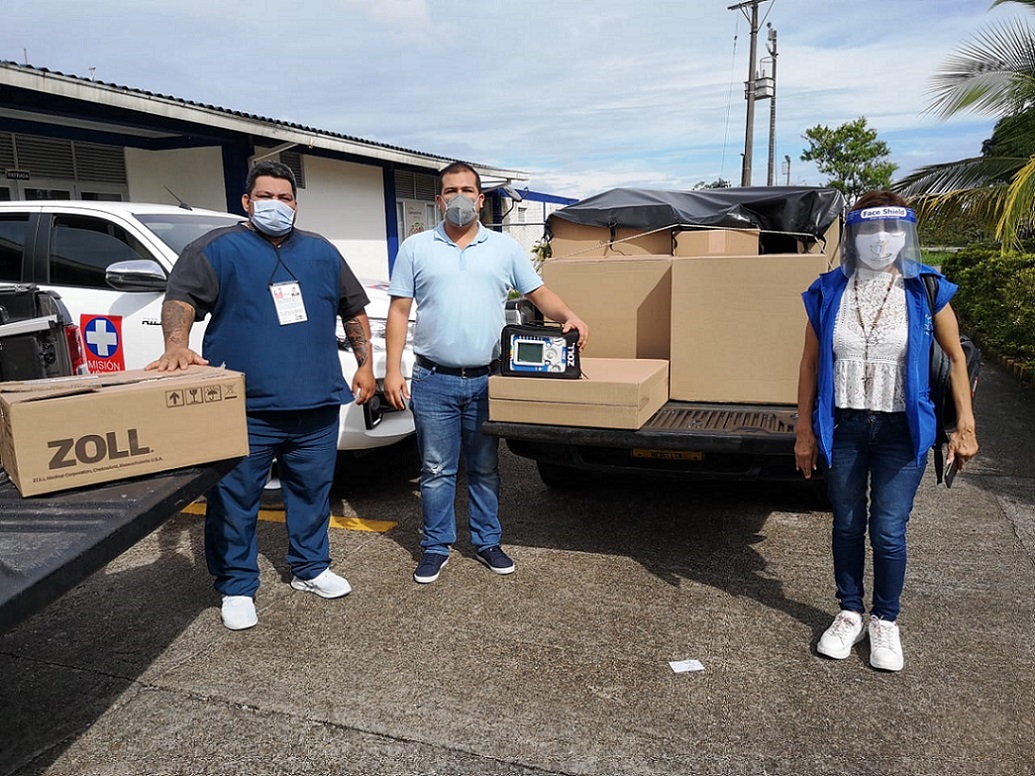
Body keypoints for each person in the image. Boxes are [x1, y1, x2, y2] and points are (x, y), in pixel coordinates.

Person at [147, 160, 375, 631]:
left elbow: (353, 309)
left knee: (312, 492)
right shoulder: (216, 249)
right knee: (234, 499)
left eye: (285, 198)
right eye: (266, 197)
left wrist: (366, 364)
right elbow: (182, 297)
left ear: (296, 204)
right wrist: (176, 344)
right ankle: (236, 585)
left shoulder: (321, 251)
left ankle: (310, 569)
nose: (277, 205)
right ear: (247, 202)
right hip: (245, 407)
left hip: (315, 404)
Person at [794, 190, 979, 671]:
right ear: (853, 234)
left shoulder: (926, 288)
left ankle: (885, 622)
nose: (881, 240)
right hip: (846, 425)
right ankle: (850, 611)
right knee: (848, 523)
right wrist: (804, 431)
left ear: (904, 234)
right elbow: (811, 363)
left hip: (903, 430)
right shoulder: (827, 289)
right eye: (870, 230)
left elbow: (957, 358)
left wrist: (966, 425)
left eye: (891, 230)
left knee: (889, 529)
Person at [384, 161, 588, 584]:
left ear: (480, 198)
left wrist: (569, 314)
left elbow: (539, 292)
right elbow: (399, 311)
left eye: (467, 191)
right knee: (437, 470)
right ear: (439, 199)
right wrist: (392, 370)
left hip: (485, 380)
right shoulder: (416, 249)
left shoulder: (504, 249)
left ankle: (487, 541)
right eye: (450, 191)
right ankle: (435, 546)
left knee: (483, 467)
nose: (459, 198)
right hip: (432, 379)